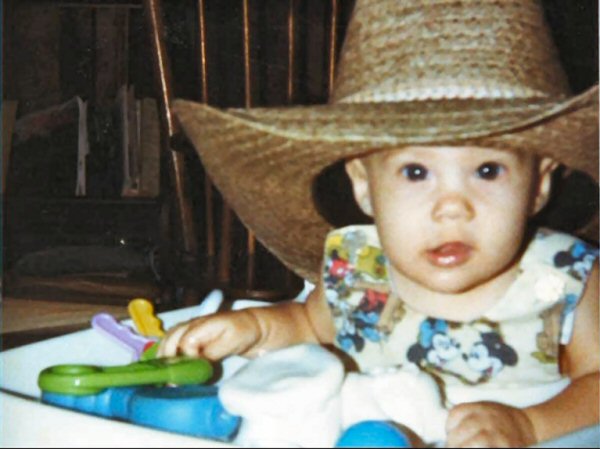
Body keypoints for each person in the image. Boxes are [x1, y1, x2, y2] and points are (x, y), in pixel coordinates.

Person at [159, 0, 599, 446]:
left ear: (539, 184)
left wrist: (530, 425)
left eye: (487, 170)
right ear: (364, 186)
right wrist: (252, 329)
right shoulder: (360, 271)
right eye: (415, 172)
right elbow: (307, 326)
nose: (451, 207)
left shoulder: (564, 277)